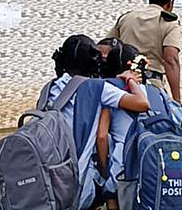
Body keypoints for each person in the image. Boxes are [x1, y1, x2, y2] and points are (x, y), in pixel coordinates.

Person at [49, 35, 149, 209]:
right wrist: (130, 79)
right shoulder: (97, 88)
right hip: (78, 185)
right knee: (109, 183)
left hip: (49, 177)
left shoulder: (49, 88)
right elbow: (141, 104)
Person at [107, 0, 182, 102]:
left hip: (122, 84)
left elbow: (108, 46)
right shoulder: (169, 23)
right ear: (169, 3)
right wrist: (177, 99)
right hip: (152, 86)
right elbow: (171, 60)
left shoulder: (127, 18)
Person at [95, 38, 147, 210]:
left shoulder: (111, 94)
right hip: (152, 160)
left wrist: (104, 172)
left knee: (111, 192)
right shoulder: (154, 91)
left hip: (122, 166)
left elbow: (101, 137)